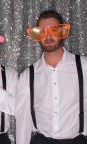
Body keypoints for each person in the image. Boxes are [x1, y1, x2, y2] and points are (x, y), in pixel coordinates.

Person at [16, 10, 87, 144]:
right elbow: (23, 120)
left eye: (54, 30)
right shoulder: (27, 75)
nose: (48, 36)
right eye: (43, 31)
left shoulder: (84, 66)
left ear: (62, 33)